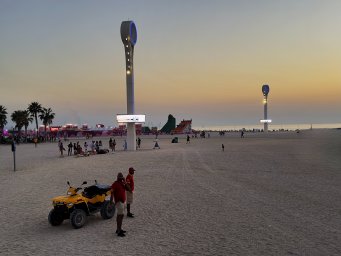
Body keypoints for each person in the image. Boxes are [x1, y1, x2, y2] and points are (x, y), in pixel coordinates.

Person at [110, 172, 128, 237]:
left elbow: (128, 189)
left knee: (121, 215)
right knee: (120, 216)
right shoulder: (115, 184)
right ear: (117, 178)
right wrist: (111, 202)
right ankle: (119, 231)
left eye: (121, 177)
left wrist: (125, 181)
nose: (121, 179)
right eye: (120, 177)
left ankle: (119, 229)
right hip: (119, 202)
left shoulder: (123, 183)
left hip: (123, 201)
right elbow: (111, 193)